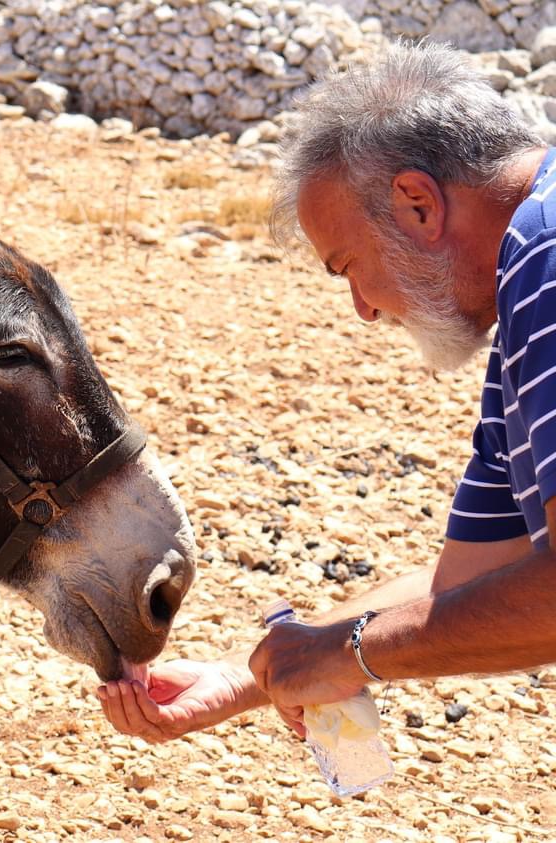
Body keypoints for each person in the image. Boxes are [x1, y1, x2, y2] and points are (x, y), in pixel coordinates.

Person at [98, 40, 556, 742]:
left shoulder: (545, 258)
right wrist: (255, 671)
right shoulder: (523, 288)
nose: (364, 310)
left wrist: (349, 653)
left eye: (347, 266)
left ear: (416, 204)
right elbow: (470, 578)